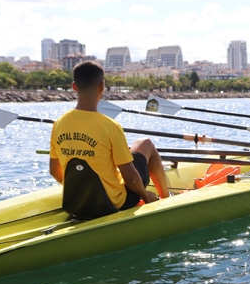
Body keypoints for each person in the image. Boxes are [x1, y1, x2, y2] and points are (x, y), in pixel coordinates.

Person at [49, 61, 169, 219]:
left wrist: (83, 191)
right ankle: (167, 198)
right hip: (113, 203)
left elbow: (54, 171)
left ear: (74, 87)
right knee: (145, 143)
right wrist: (145, 195)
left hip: (78, 203)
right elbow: (132, 179)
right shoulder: (110, 126)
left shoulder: (58, 124)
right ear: (101, 87)